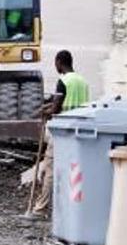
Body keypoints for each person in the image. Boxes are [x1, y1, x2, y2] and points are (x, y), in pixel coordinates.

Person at [31, 50, 90, 218]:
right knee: (74, 170)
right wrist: (46, 107)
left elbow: (56, 108)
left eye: (55, 63)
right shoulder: (82, 81)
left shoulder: (63, 81)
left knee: (50, 169)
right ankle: (73, 207)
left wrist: (44, 113)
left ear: (59, 62)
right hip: (80, 132)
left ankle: (40, 209)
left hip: (62, 132)